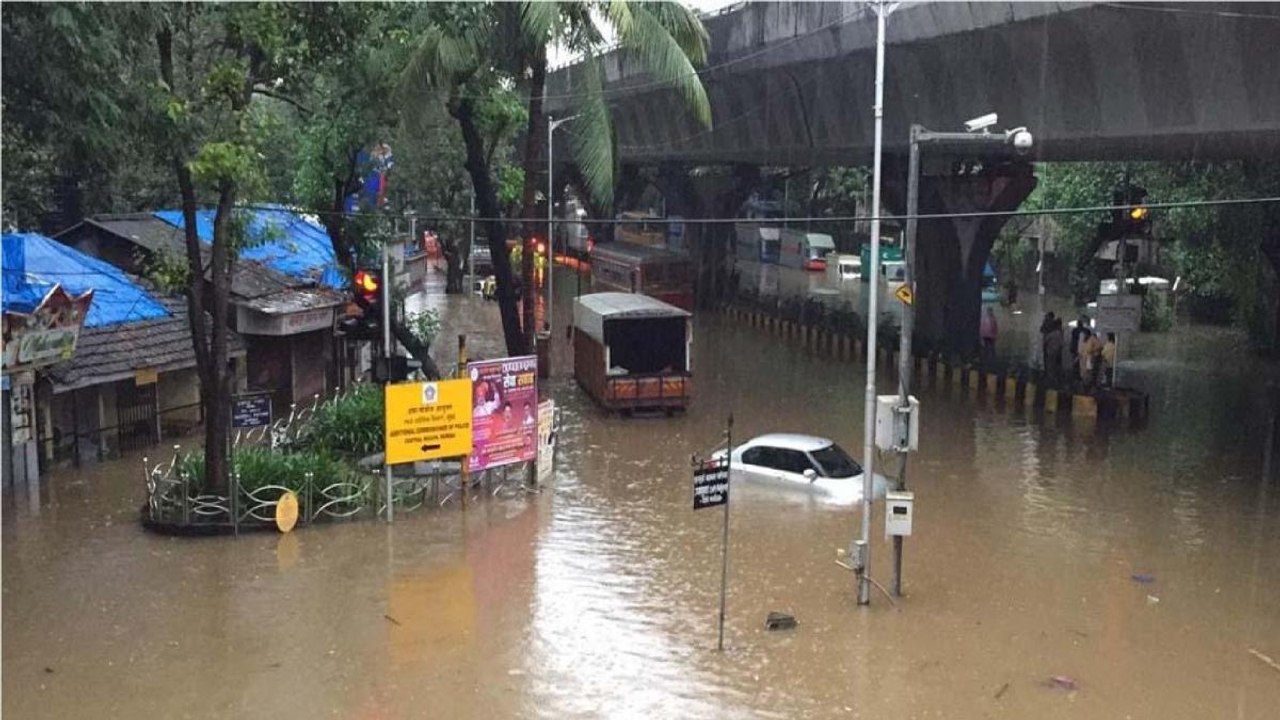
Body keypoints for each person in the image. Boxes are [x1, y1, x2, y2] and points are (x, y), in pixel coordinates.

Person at [1044, 318, 1065, 386]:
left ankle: (1050, 381)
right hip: (1057, 353)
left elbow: (1045, 341)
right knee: (1056, 368)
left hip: (1050, 352)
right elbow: (1062, 344)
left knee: (1050, 367)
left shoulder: (1052, 334)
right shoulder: (1060, 334)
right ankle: (1055, 382)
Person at [1070, 315, 1090, 379]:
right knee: (1083, 365)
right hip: (1084, 350)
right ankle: (1082, 377)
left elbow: (1073, 341)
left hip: (1076, 350)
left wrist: (1072, 349)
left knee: (1075, 364)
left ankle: (1075, 377)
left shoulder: (1075, 330)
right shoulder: (1086, 331)